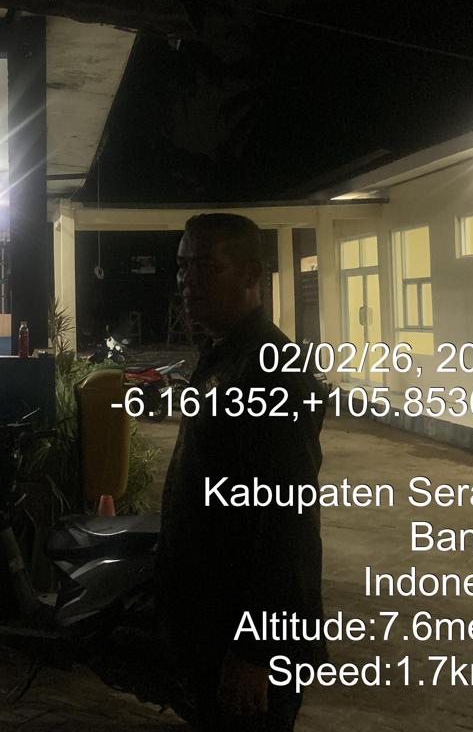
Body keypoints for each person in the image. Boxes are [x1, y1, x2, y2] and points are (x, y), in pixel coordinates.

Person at [157, 214, 326, 731]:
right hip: (214, 624)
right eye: (182, 267)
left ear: (252, 274)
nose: (188, 282)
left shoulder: (270, 369)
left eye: (206, 268)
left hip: (248, 642)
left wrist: (257, 652)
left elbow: (287, 520)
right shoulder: (224, 355)